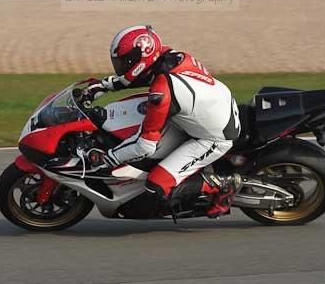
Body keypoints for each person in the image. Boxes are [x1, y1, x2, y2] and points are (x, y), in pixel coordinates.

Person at [84, 24, 241, 218]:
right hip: (208, 109)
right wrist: (102, 86)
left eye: (125, 61)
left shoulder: (162, 91)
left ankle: (224, 183)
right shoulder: (168, 55)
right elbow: (136, 76)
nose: (121, 66)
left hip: (213, 136)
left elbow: (145, 146)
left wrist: (108, 158)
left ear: (139, 60)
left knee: (156, 185)